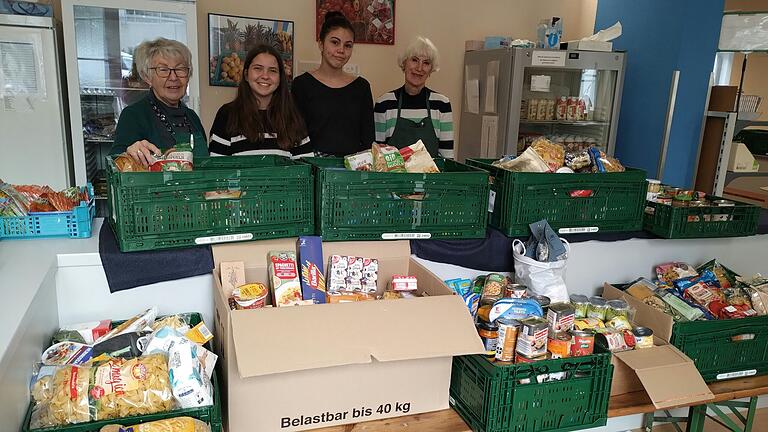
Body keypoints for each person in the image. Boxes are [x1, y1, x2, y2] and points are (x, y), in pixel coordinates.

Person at [111, 38, 207, 167]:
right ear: (147, 77)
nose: (173, 77)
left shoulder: (192, 117)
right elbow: (114, 164)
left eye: (180, 69)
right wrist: (128, 153)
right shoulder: (133, 116)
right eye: (163, 70)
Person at [292, 11, 374, 156]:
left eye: (348, 45)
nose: (341, 50)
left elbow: (368, 141)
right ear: (321, 44)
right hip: (311, 168)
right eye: (335, 42)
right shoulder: (301, 85)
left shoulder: (362, 87)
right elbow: (296, 137)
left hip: (352, 172)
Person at [209, 44, 312, 158]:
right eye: (258, 68)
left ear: (280, 78)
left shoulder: (293, 116)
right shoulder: (227, 115)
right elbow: (217, 167)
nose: (265, 76)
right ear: (246, 75)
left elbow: (305, 169)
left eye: (272, 70)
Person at [373, 36, 453, 158]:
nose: (419, 68)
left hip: (431, 176)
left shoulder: (441, 104)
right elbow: (377, 156)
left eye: (426, 63)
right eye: (414, 60)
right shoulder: (384, 103)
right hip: (392, 176)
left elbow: (447, 159)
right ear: (404, 63)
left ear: (431, 69)